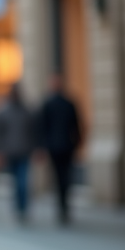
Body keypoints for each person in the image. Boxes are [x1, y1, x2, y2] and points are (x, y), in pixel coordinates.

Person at [37, 74, 82, 225]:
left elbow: (75, 125)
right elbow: (43, 127)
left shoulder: (63, 103)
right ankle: (63, 208)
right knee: (63, 178)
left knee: (63, 178)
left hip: (62, 147)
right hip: (60, 146)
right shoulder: (53, 104)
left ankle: (63, 207)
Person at [0, 84, 36, 224]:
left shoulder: (26, 111)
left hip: (24, 151)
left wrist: (35, 148)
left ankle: (23, 207)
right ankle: (18, 207)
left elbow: (33, 131)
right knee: (16, 182)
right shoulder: (3, 112)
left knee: (23, 182)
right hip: (10, 152)